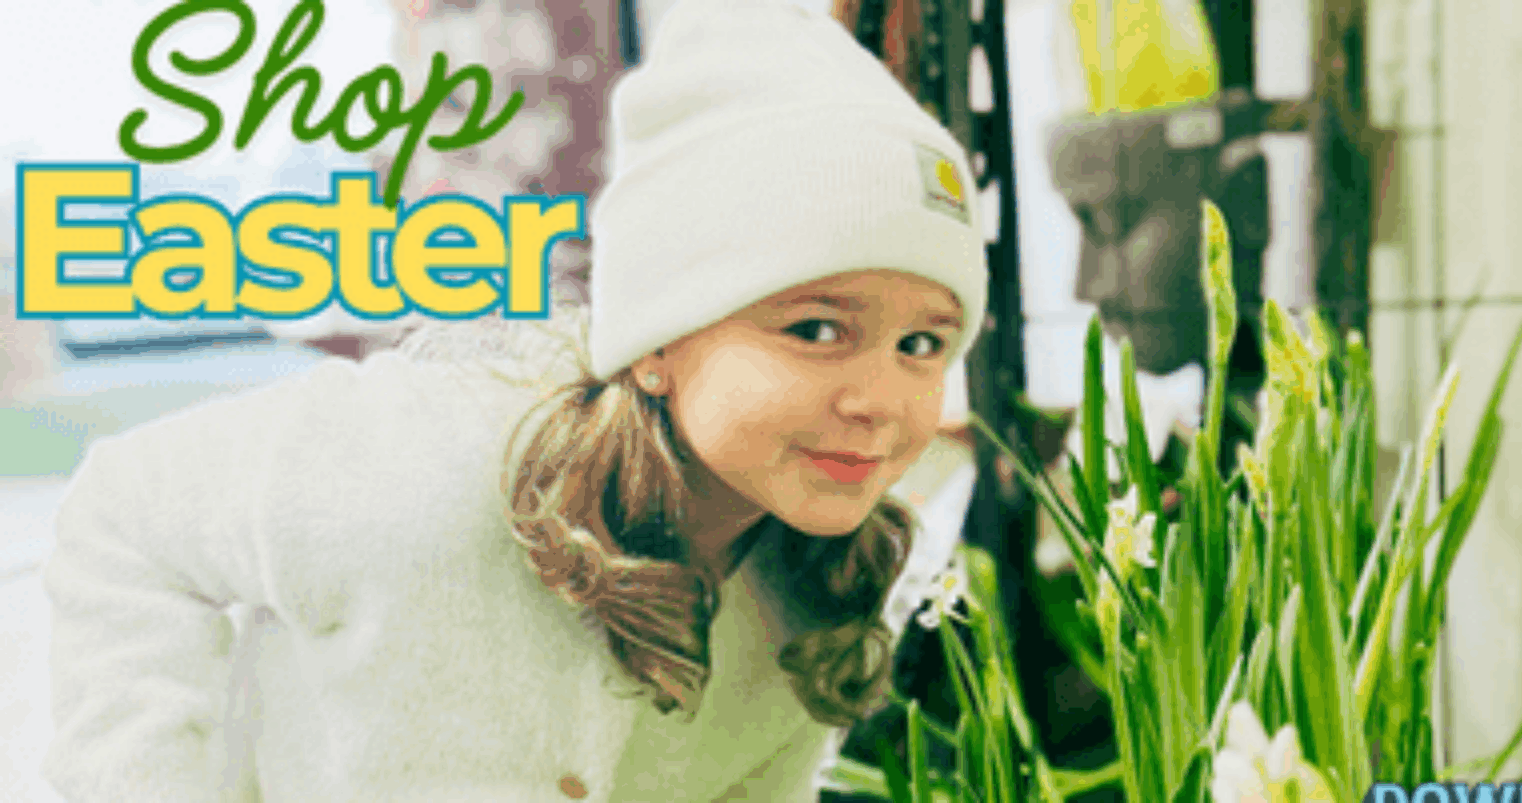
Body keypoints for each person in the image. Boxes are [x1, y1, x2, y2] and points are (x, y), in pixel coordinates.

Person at [38, 0, 988, 799]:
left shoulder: (815, 609)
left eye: (922, 343)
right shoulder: (432, 465)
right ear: (657, 341)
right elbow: (126, 514)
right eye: (816, 329)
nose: (882, 401)